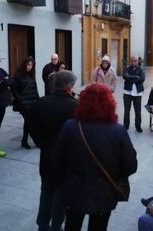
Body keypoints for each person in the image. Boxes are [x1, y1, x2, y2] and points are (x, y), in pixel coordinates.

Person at [53, 83, 137, 231]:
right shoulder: (117, 131)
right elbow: (131, 166)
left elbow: (57, 159)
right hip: (104, 192)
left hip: (74, 190)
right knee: (99, 227)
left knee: (72, 225)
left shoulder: (70, 126)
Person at [30, 70, 78, 231]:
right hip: (66, 161)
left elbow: (32, 129)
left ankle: (43, 225)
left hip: (46, 157)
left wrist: (42, 143)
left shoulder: (39, 103)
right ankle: (56, 226)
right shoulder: (74, 106)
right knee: (61, 196)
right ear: (69, 87)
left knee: (46, 191)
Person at [13, 56, 40, 149]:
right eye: (28, 65)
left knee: (29, 122)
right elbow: (14, 90)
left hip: (32, 102)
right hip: (24, 104)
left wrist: (38, 100)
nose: (30, 67)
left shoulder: (31, 75)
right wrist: (21, 100)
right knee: (30, 122)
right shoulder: (18, 75)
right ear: (24, 64)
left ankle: (25, 141)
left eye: (31, 65)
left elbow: (35, 89)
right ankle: (35, 140)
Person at [123, 56, 145, 133]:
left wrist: (130, 78)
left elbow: (142, 79)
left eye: (135, 61)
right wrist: (136, 77)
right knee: (126, 110)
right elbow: (125, 76)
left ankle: (138, 126)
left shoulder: (141, 69)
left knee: (138, 111)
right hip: (127, 92)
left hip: (138, 93)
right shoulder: (127, 68)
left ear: (138, 61)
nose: (133, 62)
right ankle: (126, 125)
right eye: (132, 61)